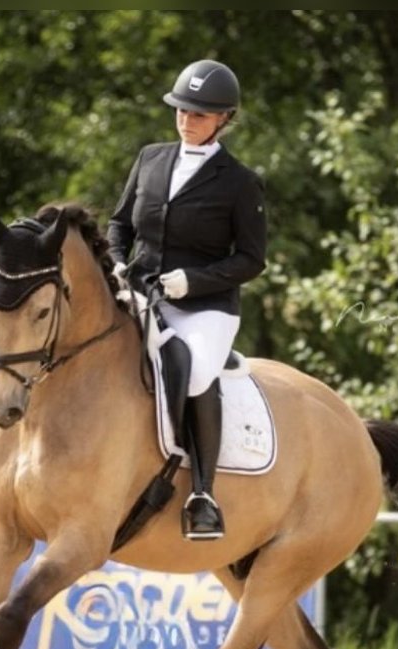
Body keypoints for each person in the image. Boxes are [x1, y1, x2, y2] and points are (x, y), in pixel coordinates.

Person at [107, 59, 267, 541]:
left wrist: (192, 281)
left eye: (199, 114)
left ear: (224, 119)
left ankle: (202, 493)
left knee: (195, 370)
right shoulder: (150, 159)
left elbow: (251, 260)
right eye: (181, 110)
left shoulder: (240, 182)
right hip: (139, 292)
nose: (186, 120)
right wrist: (115, 259)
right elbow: (120, 224)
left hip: (205, 306)